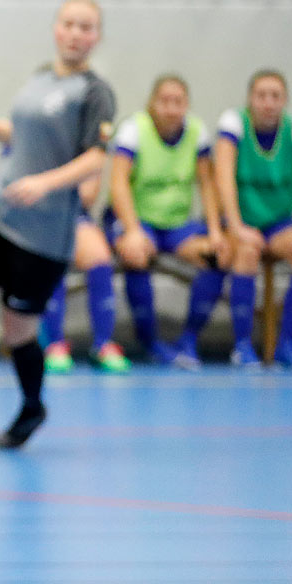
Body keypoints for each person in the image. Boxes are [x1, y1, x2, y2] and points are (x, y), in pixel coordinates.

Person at [0, 0, 116, 449]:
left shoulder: (94, 93)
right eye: (69, 24)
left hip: (45, 229)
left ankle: (32, 406)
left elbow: (96, 156)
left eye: (86, 27)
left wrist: (45, 184)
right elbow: (24, 137)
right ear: (57, 29)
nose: (76, 33)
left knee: (18, 332)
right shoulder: (39, 79)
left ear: (96, 37)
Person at [107, 74, 227, 369]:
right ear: (152, 103)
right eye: (165, 101)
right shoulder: (135, 129)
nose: (171, 108)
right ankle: (149, 341)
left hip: (175, 225)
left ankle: (188, 340)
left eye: (178, 102)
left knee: (220, 255)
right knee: (136, 253)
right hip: (135, 219)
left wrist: (215, 230)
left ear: (186, 105)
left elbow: (207, 184)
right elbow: (118, 183)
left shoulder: (197, 132)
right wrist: (133, 230)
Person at [213, 70, 292, 370]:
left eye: (275, 96)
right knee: (247, 251)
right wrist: (236, 226)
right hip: (240, 219)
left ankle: (286, 345)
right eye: (261, 95)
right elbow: (222, 177)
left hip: (278, 222)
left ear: (284, 101)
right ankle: (242, 346)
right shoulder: (234, 123)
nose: (268, 102)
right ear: (250, 99)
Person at [25, 171, 128, 374]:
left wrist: (47, 186)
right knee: (52, 251)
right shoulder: (32, 140)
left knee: (99, 256)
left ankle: (103, 344)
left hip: (74, 215)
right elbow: (22, 189)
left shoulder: (87, 141)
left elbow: (87, 195)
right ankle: (54, 344)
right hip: (35, 217)